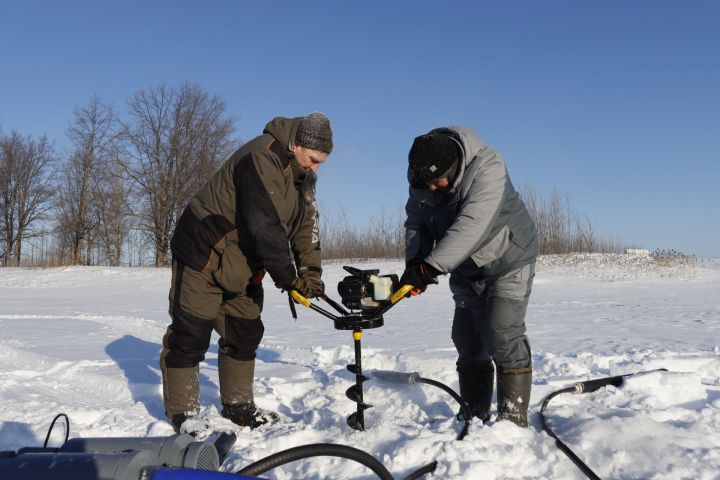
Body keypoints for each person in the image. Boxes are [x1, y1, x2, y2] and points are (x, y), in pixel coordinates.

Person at [160, 112, 332, 435]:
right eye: (312, 160)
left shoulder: (304, 180)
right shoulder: (260, 157)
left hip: (244, 263)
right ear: (296, 145)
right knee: (191, 333)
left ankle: (238, 405)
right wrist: (287, 277)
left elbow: (307, 229)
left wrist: (310, 274)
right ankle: (185, 412)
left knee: (244, 331)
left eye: (321, 162)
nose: (315, 168)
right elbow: (264, 225)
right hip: (204, 251)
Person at [400, 127, 538, 427]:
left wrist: (430, 268)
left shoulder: (488, 169)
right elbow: (416, 224)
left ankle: (513, 418)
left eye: (438, 181)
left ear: (455, 166)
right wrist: (414, 264)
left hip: (509, 259)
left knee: (501, 332)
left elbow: (471, 226)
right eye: (427, 183)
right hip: (465, 268)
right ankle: (474, 413)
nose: (433, 188)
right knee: (466, 339)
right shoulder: (421, 180)